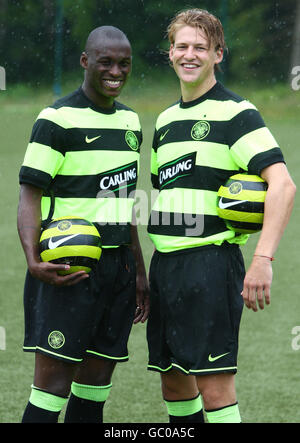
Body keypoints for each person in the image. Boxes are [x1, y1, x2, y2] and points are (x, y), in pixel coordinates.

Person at [146, 8, 296, 423]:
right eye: (181, 46)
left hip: (211, 263)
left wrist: (263, 259)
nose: (189, 54)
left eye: (200, 47)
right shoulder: (165, 121)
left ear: (218, 54)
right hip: (166, 266)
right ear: (170, 52)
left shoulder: (237, 114)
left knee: (214, 386)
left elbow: (282, 186)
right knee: (173, 380)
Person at [17, 25, 149, 423]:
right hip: (68, 267)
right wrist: (33, 259)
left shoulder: (130, 122)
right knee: (52, 389)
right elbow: (29, 197)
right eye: (106, 62)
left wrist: (138, 271)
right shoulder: (56, 119)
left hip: (118, 270)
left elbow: (125, 204)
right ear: (85, 61)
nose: (116, 71)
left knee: (95, 389)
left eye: (124, 64)